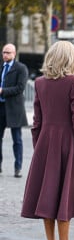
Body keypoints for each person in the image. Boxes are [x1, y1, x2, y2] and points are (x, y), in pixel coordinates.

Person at [21, 41, 74, 240]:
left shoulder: (40, 83)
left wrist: (39, 149)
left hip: (45, 144)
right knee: (65, 196)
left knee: (48, 196)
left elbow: (36, 122)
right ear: (70, 59)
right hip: (68, 145)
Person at [0, 43, 28, 177]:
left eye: (8, 52)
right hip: (1, 108)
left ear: (14, 54)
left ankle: (18, 168)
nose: (5, 55)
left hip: (14, 108)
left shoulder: (21, 68)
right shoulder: (1, 67)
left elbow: (20, 88)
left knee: (17, 139)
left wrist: (2, 91)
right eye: (4, 52)